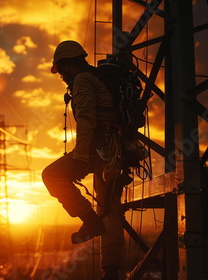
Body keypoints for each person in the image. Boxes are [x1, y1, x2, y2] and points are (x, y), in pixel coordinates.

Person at [42, 40, 125, 280]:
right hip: (114, 151)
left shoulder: (83, 80)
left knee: (52, 175)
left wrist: (80, 158)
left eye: (60, 70)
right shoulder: (98, 78)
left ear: (68, 64)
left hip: (98, 149)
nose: (60, 76)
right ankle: (110, 271)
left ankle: (89, 221)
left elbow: (88, 119)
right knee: (109, 209)